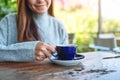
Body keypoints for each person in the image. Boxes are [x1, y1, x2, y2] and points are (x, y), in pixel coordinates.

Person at [0, 0, 68, 62]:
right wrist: (29, 51)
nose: (40, 1)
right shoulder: (8, 23)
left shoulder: (59, 26)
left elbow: (66, 60)